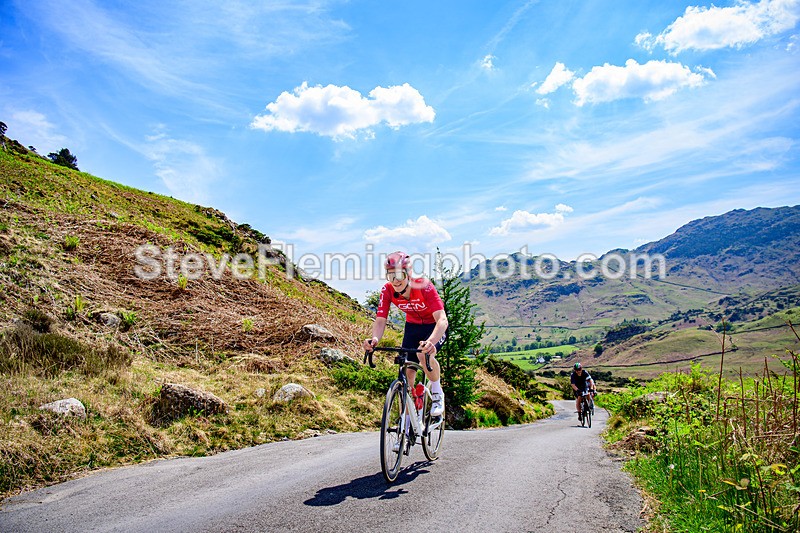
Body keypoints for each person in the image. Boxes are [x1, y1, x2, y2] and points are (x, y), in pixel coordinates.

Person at [363, 251, 449, 418]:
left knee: (424, 355)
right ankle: (409, 419)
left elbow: (442, 319)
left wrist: (431, 342)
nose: (395, 281)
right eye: (391, 276)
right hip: (412, 327)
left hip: (434, 326)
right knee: (407, 371)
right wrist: (374, 339)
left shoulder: (423, 285)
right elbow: (380, 320)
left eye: (399, 275)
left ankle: (437, 393)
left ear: (408, 273)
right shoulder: (387, 290)